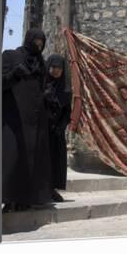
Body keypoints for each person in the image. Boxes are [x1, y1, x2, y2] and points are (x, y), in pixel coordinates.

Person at [1, 28, 53, 212]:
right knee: (12, 158)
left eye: (41, 43)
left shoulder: (41, 63)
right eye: (35, 41)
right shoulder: (10, 56)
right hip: (14, 117)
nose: (38, 45)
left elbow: (43, 86)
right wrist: (14, 75)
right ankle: (8, 199)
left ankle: (26, 198)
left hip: (36, 119)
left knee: (31, 160)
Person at [43, 54, 72, 203]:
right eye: (54, 67)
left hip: (57, 132)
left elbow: (68, 112)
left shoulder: (65, 90)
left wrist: (61, 127)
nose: (56, 71)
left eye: (59, 68)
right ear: (48, 67)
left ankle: (52, 189)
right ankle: (41, 190)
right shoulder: (41, 85)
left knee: (56, 161)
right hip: (42, 131)